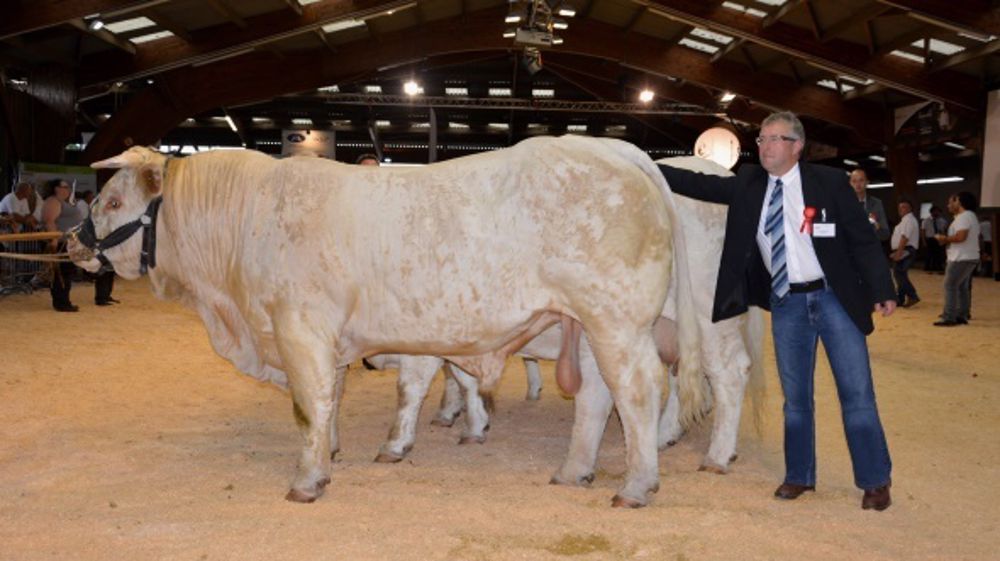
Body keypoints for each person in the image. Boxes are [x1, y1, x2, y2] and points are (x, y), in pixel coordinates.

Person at [657, 111, 895, 511]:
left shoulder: (829, 183)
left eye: (773, 139)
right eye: (762, 138)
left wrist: (882, 288)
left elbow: (863, 241)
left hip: (835, 299)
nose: (764, 146)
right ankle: (799, 475)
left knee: (856, 394)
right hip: (787, 304)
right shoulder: (749, 183)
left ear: (796, 146)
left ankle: (875, 481)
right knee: (796, 398)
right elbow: (696, 183)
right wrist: (646, 164)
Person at [933, 192, 980, 326]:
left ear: (958, 202)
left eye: (951, 202)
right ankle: (961, 314)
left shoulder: (963, 217)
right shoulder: (969, 216)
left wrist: (944, 239)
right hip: (968, 256)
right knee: (961, 287)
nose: (948, 205)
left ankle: (949, 317)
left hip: (961, 257)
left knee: (950, 285)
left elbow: (961, 237)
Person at [41, 179, 85, 312]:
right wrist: (53, 240)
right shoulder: (53, 201)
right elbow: (49, 221)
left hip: (69, 242)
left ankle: (64, 300)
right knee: (61, 273)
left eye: (68, 187)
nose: (68, 190)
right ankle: (61, 302)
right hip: (60, 243)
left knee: (67, 273)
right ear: (56, 188)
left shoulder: (64, 202)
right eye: (64, 187)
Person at [890, 199, 920, 307]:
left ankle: (912, 296)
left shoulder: (909, 220)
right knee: (900, 273)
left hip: (906, 249)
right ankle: (900, 298)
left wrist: (899, 252)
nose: (901, 209)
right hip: (904, 249)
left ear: (910, 208)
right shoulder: (906, 220)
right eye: (900, 207)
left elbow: (905, 237)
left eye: (904, 207)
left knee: (899, 273)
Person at [849, 168, 890, 242]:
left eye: (861, 180)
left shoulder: (876, 203)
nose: (857, 184)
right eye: (854, 181)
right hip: (851, 250)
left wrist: (878, 227)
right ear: (850, 184)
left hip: (871, 248)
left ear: (867, 182)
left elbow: (885, 234)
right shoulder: (843, 204)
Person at [921, 206, 947, 272]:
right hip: (929, 239)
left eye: (938, 211)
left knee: (939, 254)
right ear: (931, 212)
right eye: (935, 211)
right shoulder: (925, 221)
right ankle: (927, 267)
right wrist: (924, 241)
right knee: (929, 254)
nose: (936, 212)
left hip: (938, 239)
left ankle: (938, 267)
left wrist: (943, 240)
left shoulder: (943, 221)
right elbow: (923, 231)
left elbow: (944, 231)